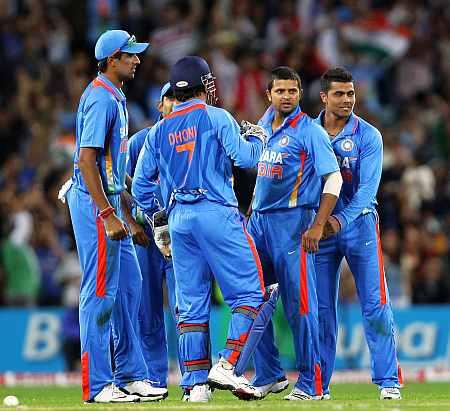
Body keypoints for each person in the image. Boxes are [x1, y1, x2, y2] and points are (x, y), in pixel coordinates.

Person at [132, 56, 268, 403]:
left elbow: (141, 188)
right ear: (202, 84)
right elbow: (246, 159)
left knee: (190, 308)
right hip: (216, 214)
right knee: (251, 295)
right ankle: (228, 362)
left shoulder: (158, 130)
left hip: (179, 221)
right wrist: (258, 139)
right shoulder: (215, 117)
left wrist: (158, 217)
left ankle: (195, 387)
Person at [65, 29, 167, 403]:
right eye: (130, 55)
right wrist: (109, 213)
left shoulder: (115, 96)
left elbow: (111, 167)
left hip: (107, 204)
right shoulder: (101, 100)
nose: (137, 60)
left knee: (130, 287)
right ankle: (97, 384)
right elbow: (86, 161)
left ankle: (129, 374)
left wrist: (132, 210)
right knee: (101, 292)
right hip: (95, 207)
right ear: (111, 60)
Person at [246, 66, 342, 400]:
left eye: (292, 90)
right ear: (268, 94)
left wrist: (317, 224)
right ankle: (269, 373)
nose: (286, 96)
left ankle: (312, 383)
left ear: (300, 94)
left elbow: (334, 179)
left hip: (293, 221)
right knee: (253, 300)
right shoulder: (261, 126)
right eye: (280, 91)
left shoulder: (309, 131)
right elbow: (260, 172)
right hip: (258, 221)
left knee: (300, 305)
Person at [315, 67, 402, 400]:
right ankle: (318, 385)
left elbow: (367, 191)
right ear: (324, 97)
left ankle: (388, 381)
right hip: (320, 229)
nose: (347, 100)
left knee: (375, 303)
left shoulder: (369, 135)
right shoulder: (309, 131)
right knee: (321, 309)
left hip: (359, 224)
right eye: (339, 94)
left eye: (350, 93)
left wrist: (338, 221)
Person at [126, 82, 178, 389]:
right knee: (147, 313)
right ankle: (154, 380)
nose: (175, 103)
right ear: (160, 105)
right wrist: (133, 227)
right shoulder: (139, 142)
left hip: (181, 236)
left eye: (180, 98)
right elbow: (119, 185)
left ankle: (194, 381)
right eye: (170, 97)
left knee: (187, 310)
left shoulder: (193, 141)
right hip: (146, 237)